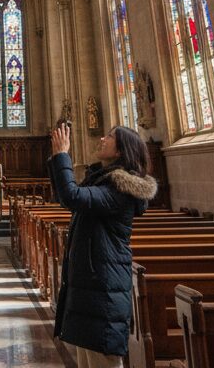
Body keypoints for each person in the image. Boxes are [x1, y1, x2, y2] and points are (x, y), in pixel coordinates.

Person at [48, 121, 157, 368]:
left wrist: (63, 156)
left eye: (108, 137)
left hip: (103, 291)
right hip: (93, 289)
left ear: (120, 151)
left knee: (101, 361)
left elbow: (72, 196)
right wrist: (57, 158)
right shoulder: (104, 180)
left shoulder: (120, 189)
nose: (101, 139)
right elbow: (66, 197)